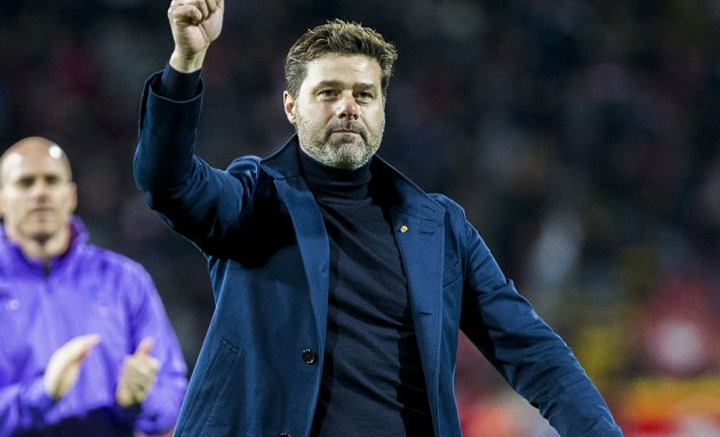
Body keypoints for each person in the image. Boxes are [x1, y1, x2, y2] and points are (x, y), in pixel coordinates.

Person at [133, 1, 624, 436]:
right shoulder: (252, 197)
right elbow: (168, 183)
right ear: (291, 107)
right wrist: (186, 63)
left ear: (383, 109)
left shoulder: (439, 227)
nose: (348, 107)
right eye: (328, 93)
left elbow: (532, 351)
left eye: (364, 94)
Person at [0, 137, 188, 436]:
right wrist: (43, 393)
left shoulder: (125, 281)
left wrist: (140, 400)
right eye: (25, 182)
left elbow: (174, 399)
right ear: (2, 200)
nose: (40, 192)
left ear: (71, 196)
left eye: (52, 180)